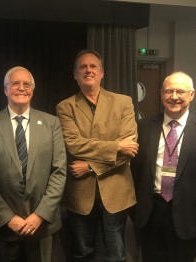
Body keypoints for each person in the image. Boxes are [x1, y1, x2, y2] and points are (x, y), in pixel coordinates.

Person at [0, 66, 67, 262]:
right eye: (15, 83)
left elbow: (59, 172)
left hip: (42, 226)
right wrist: (8, 218)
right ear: (5, 89)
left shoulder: (52, 123)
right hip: (3, 228)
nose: (21, 88)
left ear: (32, 90)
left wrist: (39, 215)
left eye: (27, 84)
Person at [56, 49, 139, 262]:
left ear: (102, 73)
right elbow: (74, 145)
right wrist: (116, 145)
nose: (88, 70)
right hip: (80, 194)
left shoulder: (123, 102)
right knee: (83, 252)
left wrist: (91, 166)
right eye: (82, 67)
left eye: (93, 66)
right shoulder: (65, 107)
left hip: (116, 192)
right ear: (75, 74)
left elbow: (128, 150)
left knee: (116, 254)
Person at [131, 71, 196, 262]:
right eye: (169, 91)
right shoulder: (143, 127)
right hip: (150, 212)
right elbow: (135, 171)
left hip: (189, 214)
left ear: (191, 95)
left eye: (180, 92)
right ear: (161, 94)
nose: (174, 97)